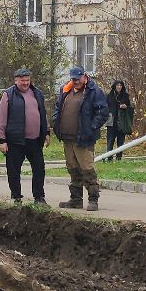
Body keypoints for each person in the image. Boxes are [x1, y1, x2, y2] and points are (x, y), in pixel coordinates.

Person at [52, 65, 110, 211]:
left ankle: (93, 200)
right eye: (73, 79)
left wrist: (91, 127)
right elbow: (58, 108)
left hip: (84, 138)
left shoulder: (93, 91)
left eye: (78, 78)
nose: (76, 81)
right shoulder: (65, 90)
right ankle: (76, 199)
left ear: (84, 77)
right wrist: (56, 122)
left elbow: (103, 112)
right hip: (67, 138)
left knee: (87, 169)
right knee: (72, 169)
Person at [0, 67, 49, 204]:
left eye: (27, 80)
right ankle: (16, 197)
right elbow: (1, 118)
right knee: (14, 171)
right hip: (15, 140)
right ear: (16, 80)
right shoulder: (8, 95)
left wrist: (46, 132)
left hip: (35, 140)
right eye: (22, 80)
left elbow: (43, 114)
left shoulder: (37, 93)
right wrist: (2, 140)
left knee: (39, 169)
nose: (25, 83)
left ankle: (39, 197)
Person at [106, 81, 136, 159]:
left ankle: (119, 158)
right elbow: (106, 107)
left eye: (120, 85)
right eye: (117, 85)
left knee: (120, 141)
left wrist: (126, 106)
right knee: (110, 141)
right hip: (111, 119)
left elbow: (130, 108)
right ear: (115, 86)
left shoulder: (125, 96)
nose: (119, 87)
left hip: (122, 121)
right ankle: (109, 158)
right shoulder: (110, 95)